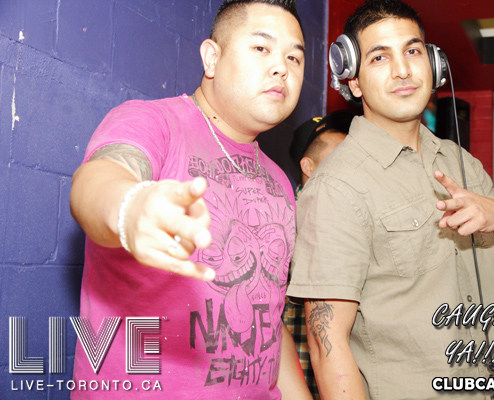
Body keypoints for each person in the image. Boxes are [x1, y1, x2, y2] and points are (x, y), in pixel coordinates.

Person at [286, 1, 494, 399]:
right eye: (379, 57)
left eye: (412, 51)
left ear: (434, 64)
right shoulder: (336, 186)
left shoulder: (462, 163)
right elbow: (328, 346)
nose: (403, 70)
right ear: (353, 81)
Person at [69, 0, 312, 398]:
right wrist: (131, 208)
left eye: (294, 58)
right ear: (212, 57)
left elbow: (267, 319)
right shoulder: (154, 122)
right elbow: (95, 181)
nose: (281, 68)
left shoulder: (280, 181)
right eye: (261, 48)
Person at [284, 110, 353, 399]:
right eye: (340, 158)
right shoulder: (285, 219)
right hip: (301, 377)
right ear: (308, 166)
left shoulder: (349, 215)